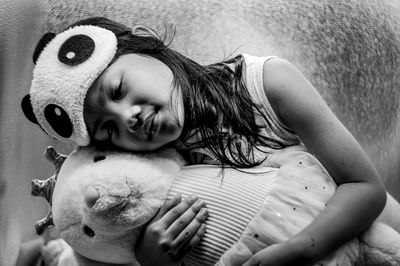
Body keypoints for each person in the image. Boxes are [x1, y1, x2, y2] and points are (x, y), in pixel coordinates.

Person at [21, 17, 387, 266]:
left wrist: (299, 250)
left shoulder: (267, 83)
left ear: (146, 44)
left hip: (367, 236)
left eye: (118, 89)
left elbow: (365, 187)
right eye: (109, 131)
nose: (127, 118)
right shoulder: (150, 168)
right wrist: (152, 259)